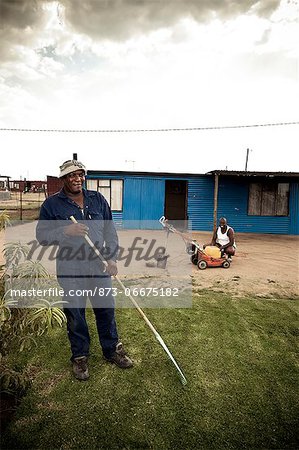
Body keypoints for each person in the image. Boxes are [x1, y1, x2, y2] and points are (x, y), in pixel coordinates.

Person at [36, 160, 133, 381]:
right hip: (71, 269)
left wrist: (112, 259)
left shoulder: (97, 200)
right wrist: (65, 231)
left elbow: (110, 232)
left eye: (80, 174)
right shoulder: (52, 205)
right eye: (72, 175)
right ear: (64, 179)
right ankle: (80, 357)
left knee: (106, 309)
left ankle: (112, 350)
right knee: (76, 313)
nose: (77, 179)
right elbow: (42, 237)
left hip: (99, 266)